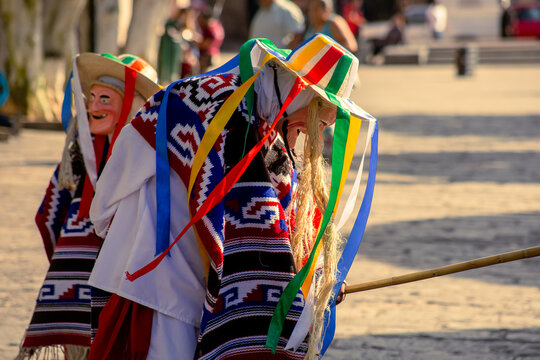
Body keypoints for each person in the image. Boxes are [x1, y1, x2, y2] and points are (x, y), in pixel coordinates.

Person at [87, 34, 376, 359]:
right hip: (160, 279)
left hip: (194, 288)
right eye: (322, 115)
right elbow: (269, 236)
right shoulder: (217, 110)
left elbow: (286, 225)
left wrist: (317, 281)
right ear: (303, 95)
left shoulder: (258, 129)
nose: (320, 129)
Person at [16, 53, 160, 360]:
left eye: (105, 99)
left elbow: (48, 218)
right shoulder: (79, 155)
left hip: (119, 280)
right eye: (91, 97)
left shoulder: (143, 162)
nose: (94, 107)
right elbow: (48, 213)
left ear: (129, 106)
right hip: (84, 278)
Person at [196, 8, 225, 73]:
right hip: (215, 52)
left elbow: (207, 43)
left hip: (207, 55)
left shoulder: (209, 28)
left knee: (204, 75)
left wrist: (197, 45)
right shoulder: (217, 25)